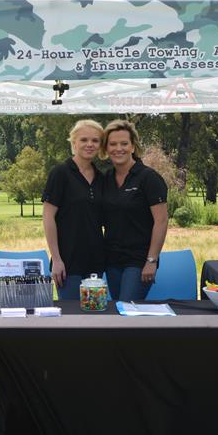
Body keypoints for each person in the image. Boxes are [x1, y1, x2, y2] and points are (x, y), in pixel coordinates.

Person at [100, 119, 168, 301]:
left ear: (132, 146)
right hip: (112, 259)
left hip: (139, 260)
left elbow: (161, 221)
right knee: (118, 308)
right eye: (113, 144)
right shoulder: (106, 178)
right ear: (106, 148)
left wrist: (151, 260)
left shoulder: (149, 178)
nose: (118, 148)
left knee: (127, 306)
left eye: (124, 143)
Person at [42, 120, 106, 300]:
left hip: (95, 260)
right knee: (70, 314)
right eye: (84, 139)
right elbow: (48, 217)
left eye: (95, 140)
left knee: (93, 311)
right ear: (74, 143)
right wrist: (56, 259)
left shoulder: (102, 178)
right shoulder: (60, 173)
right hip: (67, 261)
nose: (89, 144)